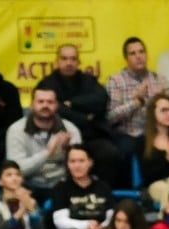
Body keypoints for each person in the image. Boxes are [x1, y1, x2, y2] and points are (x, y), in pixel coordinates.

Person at [37, 44, 121, 186]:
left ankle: (103, 193)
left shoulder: (88, 80)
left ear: (78, 62)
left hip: (91, 135)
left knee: (110, 153)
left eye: (73, 59)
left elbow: (101, 100)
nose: (69, 63)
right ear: (56, 61)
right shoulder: (47, 83)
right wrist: (84, 117)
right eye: (64, 58)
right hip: (61, 138)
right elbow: (56, 109)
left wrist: (73, 103)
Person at [106, 36, 169, 183]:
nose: (138, 57)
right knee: (127, 150)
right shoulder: (116, 81)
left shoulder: (160, 80)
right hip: (128, 134)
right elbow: (110, 117)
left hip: (156, 133)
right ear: (126, 58)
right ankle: (130, 193)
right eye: (133, 53)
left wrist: (159, 101)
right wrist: (136, 102)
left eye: (141, 52)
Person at [5, 87, 81, 203]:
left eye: (50, 102)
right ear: (31, 105)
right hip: (28, 185)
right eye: (40, 102)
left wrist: (67, 151)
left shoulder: (70, 129)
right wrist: (47, 153)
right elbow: (16, 171)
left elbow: (80, 168)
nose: (45, 105)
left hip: (62, 185)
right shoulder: (16, 130)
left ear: (56, 106)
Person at [50, 144, 116, 229]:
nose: (77, 165)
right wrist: (87, 225)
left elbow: (112, 216)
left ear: (90, 162)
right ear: (67, 164)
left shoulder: (102, 187)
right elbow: (60, 223)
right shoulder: (61, 188)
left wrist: (103, 227)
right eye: (72, 161)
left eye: (81, 161)